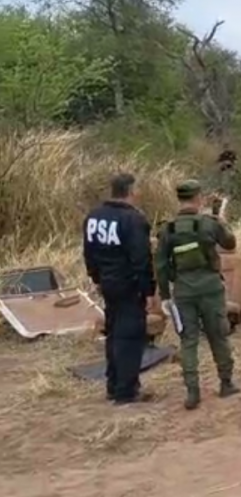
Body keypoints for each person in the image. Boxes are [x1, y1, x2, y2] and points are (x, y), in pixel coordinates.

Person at [155, 179, 240, 410]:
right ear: (198, 197)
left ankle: (193, 392)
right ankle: (226, 383)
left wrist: (164, 295)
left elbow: (161, 265)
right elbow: (230, 244)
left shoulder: (168, 229)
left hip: (183, 291)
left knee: (188, 340)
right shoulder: (208, 223)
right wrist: (222, 221)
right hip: (211, 288)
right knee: (218, 336)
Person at [83, 173, 156, 405]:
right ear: (131, 190)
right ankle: (126, 391)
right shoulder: (133, 220)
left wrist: (96, 278)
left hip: (107, 283)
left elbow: (89, 252)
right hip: (129, 285)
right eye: (139, 188)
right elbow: (141, 259)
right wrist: (148, 291)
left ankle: (113, 385)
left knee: (113, 334)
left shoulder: (94, 217)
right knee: (130, 338)